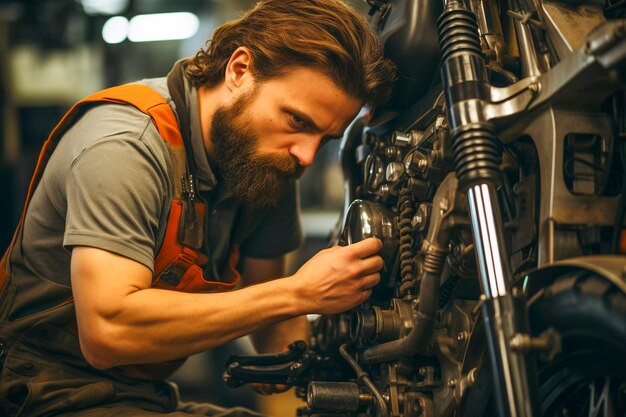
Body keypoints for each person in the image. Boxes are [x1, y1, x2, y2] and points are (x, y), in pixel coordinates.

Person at [0, 0, 396, 416]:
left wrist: (310, 358)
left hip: (141, 396)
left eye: (326, 138)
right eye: (297, 121)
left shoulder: (264, 166)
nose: (307, 155)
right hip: (42, 393)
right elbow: (107, 331)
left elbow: (276, 334)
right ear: (240, 70)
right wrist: (299, 293)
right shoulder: (126, 146)